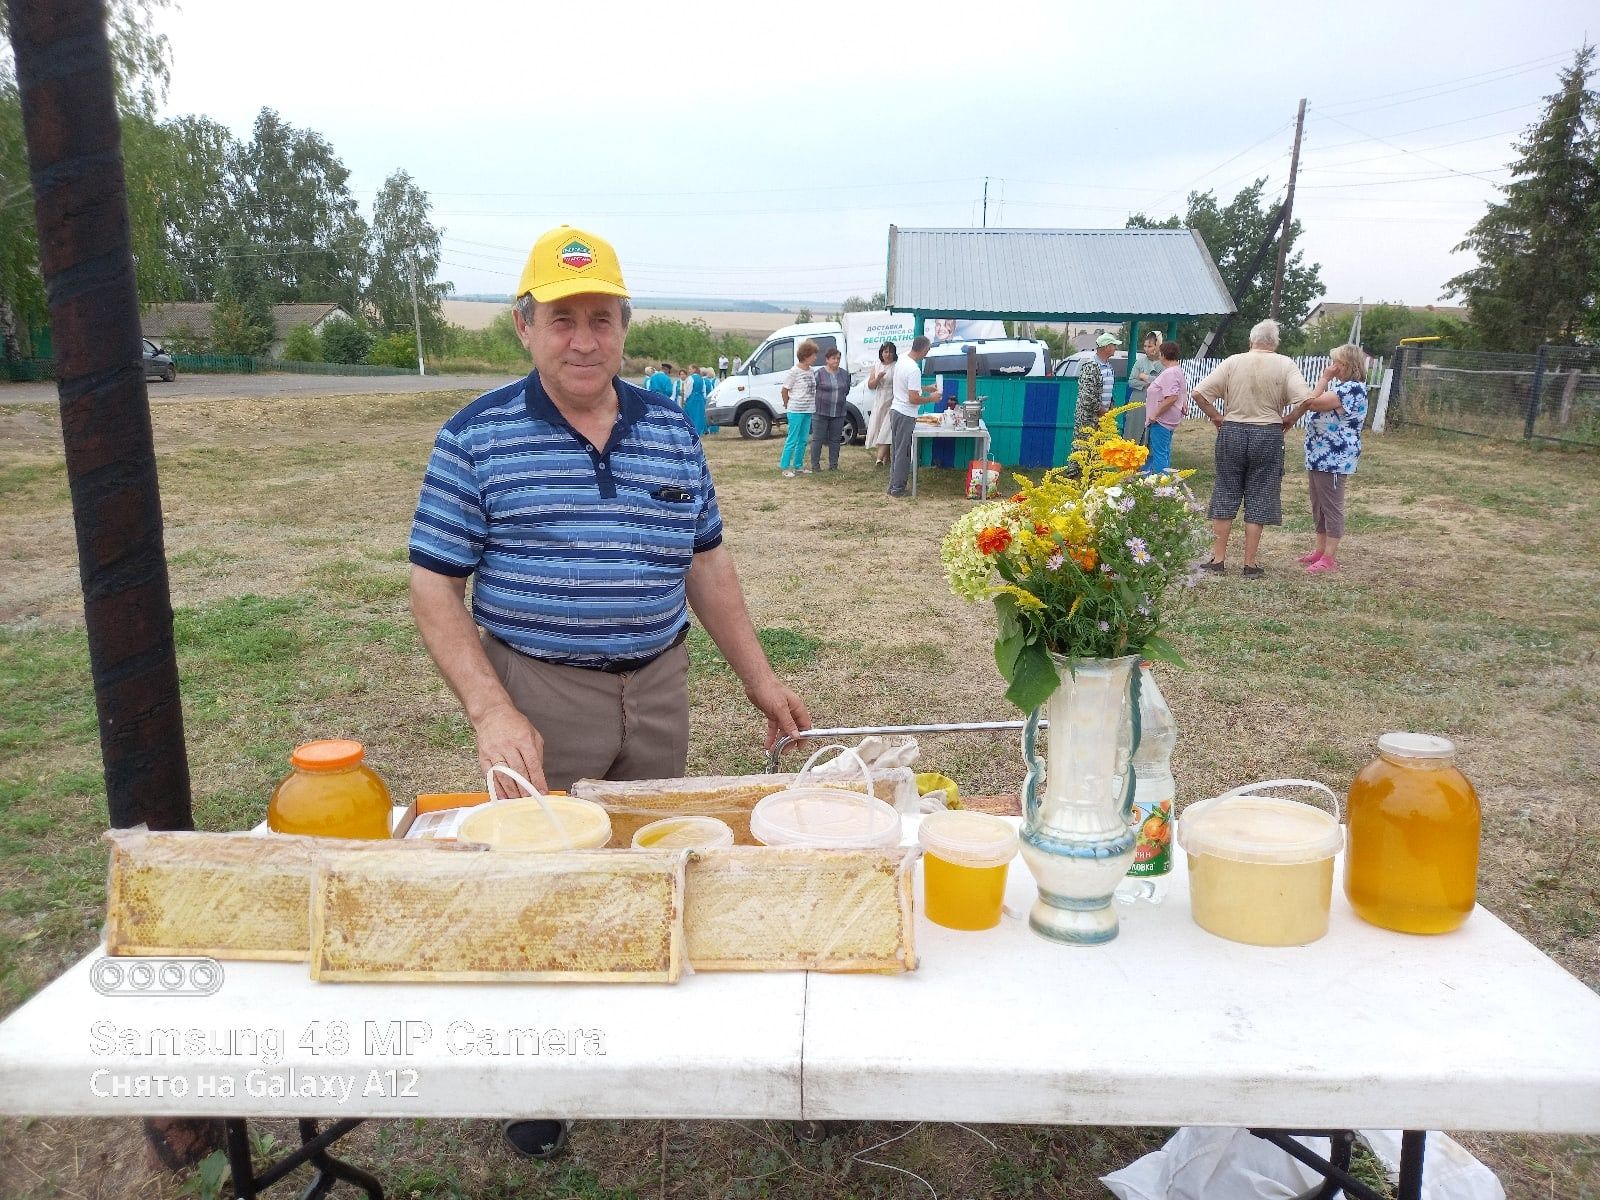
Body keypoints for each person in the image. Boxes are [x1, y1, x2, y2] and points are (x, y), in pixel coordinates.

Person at [409, 229, 811, 1163]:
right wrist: (490, 709)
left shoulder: (671, 427)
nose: (581, 340)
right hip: (539, 693)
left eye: (601, 319)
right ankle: (540, 1076)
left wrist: (760, 678)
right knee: (536, 882)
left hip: (659, 686)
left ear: (626, 328)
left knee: (644, 860)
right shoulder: (476, 436)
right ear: (524, 328)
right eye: (561, 320)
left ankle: (629, 1038)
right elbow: (435, 586)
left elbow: (706, 563)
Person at [1190, 319, 1312, 577]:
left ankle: (1218, 559)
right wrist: (1290, 418)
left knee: (1226, 489)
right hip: (1268, 432)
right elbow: (1306, 398)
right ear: (1275, 342)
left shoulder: (1233, 361)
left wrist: (1216, 416)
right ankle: (1250, 563)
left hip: (1232, 429)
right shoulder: (1285, 364)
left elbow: (1198, 394)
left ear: (1251, 340)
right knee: (1260, 493)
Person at [1282, 343, 1368, 573]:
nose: (1331, 366)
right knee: (1318, 505)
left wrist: (1323, 378)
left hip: (1335, 457)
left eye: (1335, 362)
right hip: (1320, 455)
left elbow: (1310, 402)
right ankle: (1320, 551)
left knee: (1332, 506)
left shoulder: (1351, 389)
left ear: (1346, 365)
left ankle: (1329, 557)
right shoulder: (1343, 388)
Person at [887, 335, 938, 498]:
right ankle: (898, 488)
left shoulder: (902, 359)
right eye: (928, 350)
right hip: (906, 413)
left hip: (895, 410)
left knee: (896, 450)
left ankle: (893, 485)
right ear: (923, 349)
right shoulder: (914, 369)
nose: (927, 353)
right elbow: (913, 398)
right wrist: (932, 398)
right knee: (903, 452)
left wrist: (926, 388)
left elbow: (909, 386)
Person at [1143, 340, 1188, 474]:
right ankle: (1166, 481)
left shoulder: (1170, 373)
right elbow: (1181, 392)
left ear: (1163, 355)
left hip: (1161, 420)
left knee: (1159, 452)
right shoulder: (1177, 370)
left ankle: (1161, 484)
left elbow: (1172, 397)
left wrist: (1155, 414)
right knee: (1164, 450)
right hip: (1169, 418)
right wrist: (1183, 404)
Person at [778, 339, 818, 477]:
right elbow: (784, 390)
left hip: (808, 409)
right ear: (806, 355)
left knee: (803, 439)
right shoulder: (794, 371)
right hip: (795, 410)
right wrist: (786, 403)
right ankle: (785, 466)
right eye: (813, 355)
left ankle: (798, 465)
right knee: (792, 438)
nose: (815, 357)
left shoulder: (811, 371)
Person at [810, 346, 851, 471]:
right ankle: (815, 466)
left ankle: (833, 466)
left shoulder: (844, 374)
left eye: (838, 358)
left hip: (838, 412)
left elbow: (846, 390)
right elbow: (812, 389)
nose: (836, 361)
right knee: (818, 439)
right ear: (827, 360)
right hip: (821, 412)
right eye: (833, 358)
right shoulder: (819, 373)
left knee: (835, 440)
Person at [1076, 332, 1121, 432]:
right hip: (1089, 421)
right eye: (1114, 345)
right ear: (1106, 347)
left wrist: (1110, 409)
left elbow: (1109, 392)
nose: (1115, 348)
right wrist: (1102, 412)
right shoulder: (1091, 366)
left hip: (1103, 420)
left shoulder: (1109, 367)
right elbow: (1086, 396)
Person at [1125, 330, 1162, 444]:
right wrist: (1147, 383)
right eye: (1145, 346)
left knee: (1152, 436)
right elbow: (1132, 381)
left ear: (1158, 345)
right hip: (1139, 400)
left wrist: (1145, 377)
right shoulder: (1139, 362)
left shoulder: (1164, 363)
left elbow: (1163, 382)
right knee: (1134, 433)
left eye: (1150, 346)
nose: (1147, 349)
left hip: (1157, 403)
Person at [864, 341, 897, 466]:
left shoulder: (896, 366)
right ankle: (886, 458)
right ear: (881, 353)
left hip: (892, 399)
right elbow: (870, 385)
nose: (888, 354)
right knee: (879, 427)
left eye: (890, 352)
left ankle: (879, 458)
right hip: (880, 399)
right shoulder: (877, 366)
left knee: (887, 428)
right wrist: (878, 378)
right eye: (886, 351)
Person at [681, 363, 711, 435]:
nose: (689, 370)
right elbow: (704, 390)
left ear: (694, 369)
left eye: (690, 369)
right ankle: (701, 430)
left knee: (692, 414)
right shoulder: (701, 378)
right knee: (700, 414)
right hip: (700, 398)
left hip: (692, 398)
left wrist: (685, 398)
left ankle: (692, 430)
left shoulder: (690, 378)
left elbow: (688, 390)